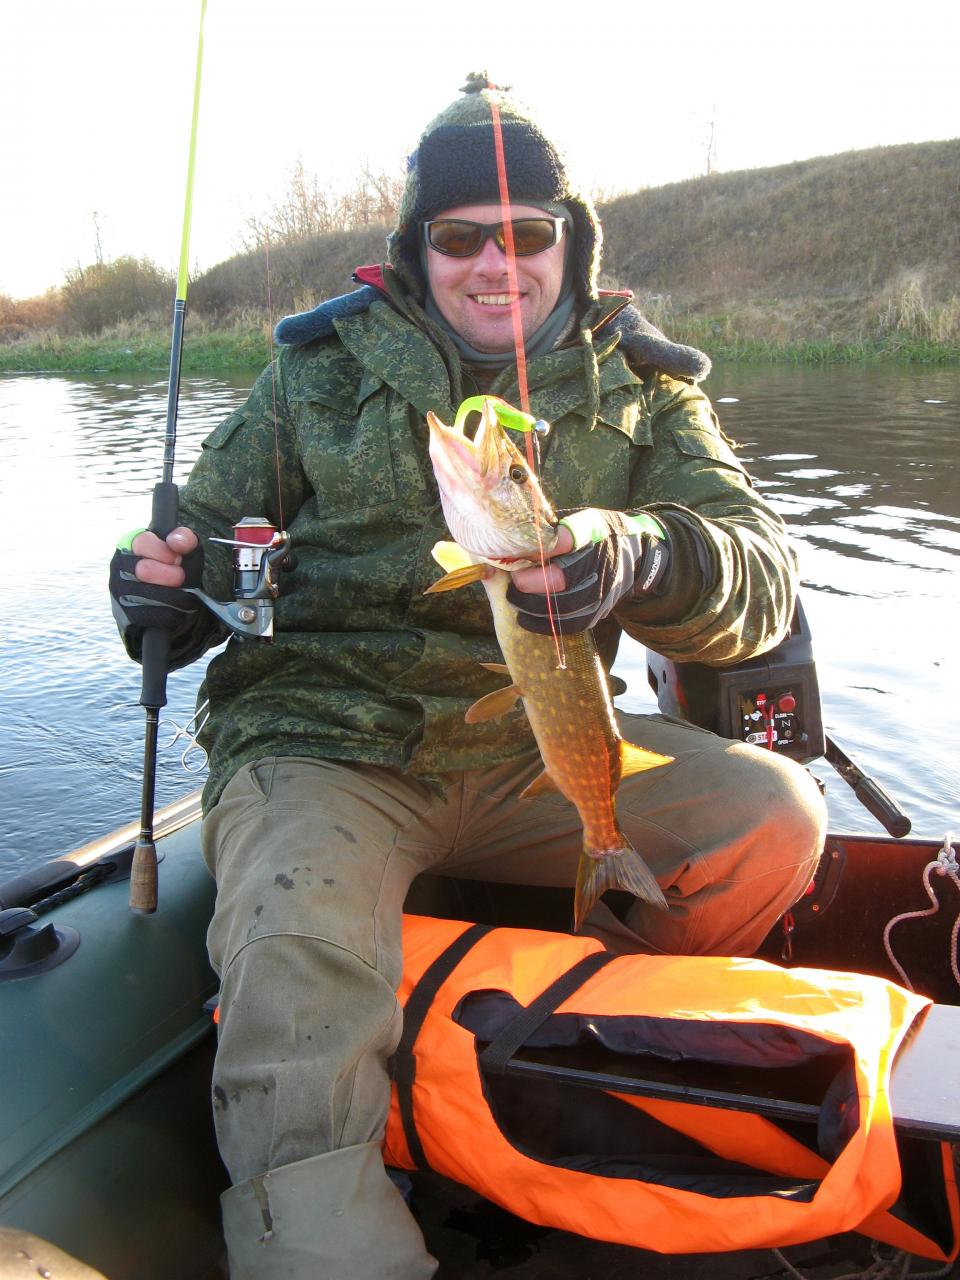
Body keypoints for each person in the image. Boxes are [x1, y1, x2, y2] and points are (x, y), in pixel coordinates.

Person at [110, 74, 827, 1279]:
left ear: (569, 239)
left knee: (771, 819)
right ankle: (329, 1241)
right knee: (293, 941)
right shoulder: (316, 371)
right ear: (418, 248)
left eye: (526, 231)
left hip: (534, 746)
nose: (497, 263)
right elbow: (208, 536)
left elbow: (759, 577)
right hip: (327, 737)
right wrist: (159, 587)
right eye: (459, 238)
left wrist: (638, 553)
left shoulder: (646, 385)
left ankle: (577, 1065)